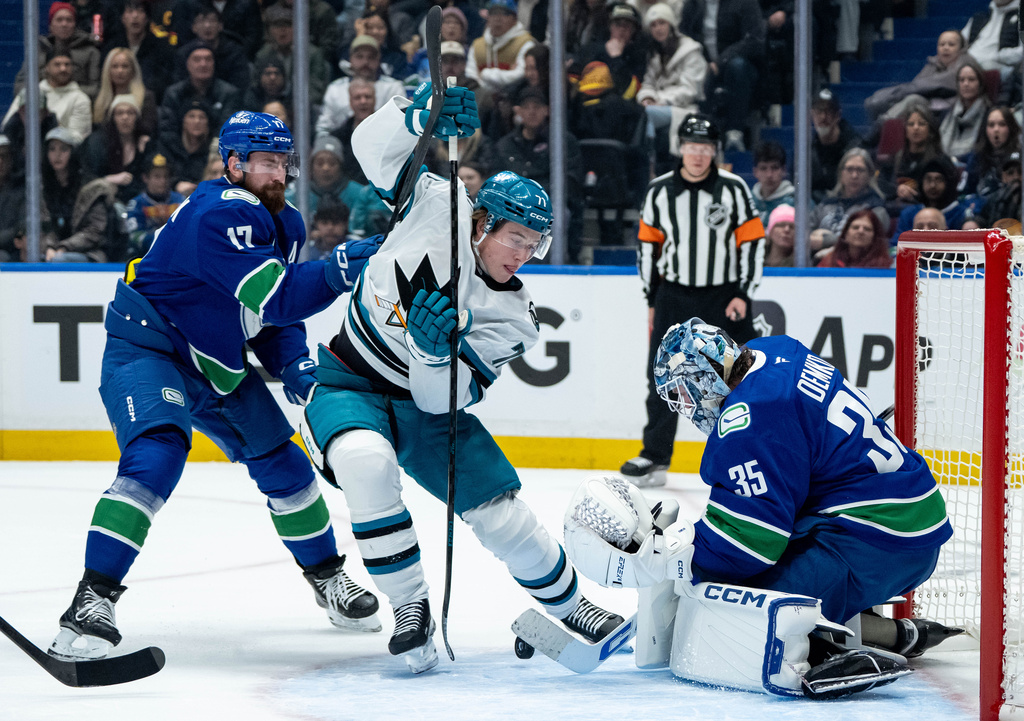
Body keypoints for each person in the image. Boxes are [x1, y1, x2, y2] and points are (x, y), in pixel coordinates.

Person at [299, 80, 625, 674]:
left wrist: (431, 354)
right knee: (365, 463)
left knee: (500, 512)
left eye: (534, 245)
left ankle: (572, 605)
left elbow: (439, 401)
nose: (522, 255)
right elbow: (368, 147)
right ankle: (410, 607)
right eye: (515, 239)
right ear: (482, 222)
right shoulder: (435, 203)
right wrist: (416, 114)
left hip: (426, 408)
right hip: (351, 382)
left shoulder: (514, 318)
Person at [46, 111, 384, 662]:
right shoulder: (218, 212)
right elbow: (277, 294)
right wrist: (335, 273)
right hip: (151, 346)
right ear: (233, 163)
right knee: (157, 454)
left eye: (284, 162)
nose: (279, 172)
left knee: (287, 468)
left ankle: (327, 579)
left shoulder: (285, 221)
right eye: (266, 162)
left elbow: (269, 316)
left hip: (215, 360)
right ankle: (92, 599)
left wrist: (294, 363)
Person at [563, 318, 960, 698]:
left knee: (731, 607)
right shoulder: (774, 350)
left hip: (879, 542)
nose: (686, 406)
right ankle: (897, 634)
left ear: (704, 378)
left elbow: (750, 546)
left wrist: (673, 558)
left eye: (684, 393)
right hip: (905, 517)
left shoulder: (750, 416)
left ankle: (827, 649)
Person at [620, 115, 764, 488]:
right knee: (663, 374)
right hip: (673, 294)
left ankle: (749, 452)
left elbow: (751, 242)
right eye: (692, 147)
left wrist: (743, 292)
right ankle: (655, 455)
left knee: (741, 375)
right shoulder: (659, 191)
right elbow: (647, 248)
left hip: (724, 294)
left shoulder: (733, 188)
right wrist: (652, 297)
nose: (698, 155)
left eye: (705, 148)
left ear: (714, 151)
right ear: (681, 148)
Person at [493, 85, 585, 262]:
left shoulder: (563, 141)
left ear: (547, 110)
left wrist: (538, 198)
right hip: (513, 205)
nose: (532, 112)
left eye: (537, 107)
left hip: (550, 203)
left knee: (557, 214)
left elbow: (572, 178)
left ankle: (549, 266)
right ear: (518, 111)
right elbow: (498, 179)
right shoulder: (505, 145)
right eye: (526, 107)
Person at [680, 0, 765, 152]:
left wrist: (721, 61)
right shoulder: (694, 4)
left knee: (737, 67)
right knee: (694, 73)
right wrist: (703, 61)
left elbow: (754, 40)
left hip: (741, 65)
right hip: (701, 62)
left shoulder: (745, 3)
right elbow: (685, 35)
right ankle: (700, 138)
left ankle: (735, 132)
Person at [635, 2, 706, 165]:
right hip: (657, 107)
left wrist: (661, 100)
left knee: (646, 114)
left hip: (683, 108)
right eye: (653, 25)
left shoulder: (690, 51)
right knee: (641, 111)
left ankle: (650, 162)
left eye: (662, 23)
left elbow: (690, 90)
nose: (658, 28)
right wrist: (647, 97)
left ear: (671, 24)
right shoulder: (655, 55)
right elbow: (648, 83)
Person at [39, 126, 116, 263]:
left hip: (91, 253)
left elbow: (94, 231)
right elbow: (42, 227)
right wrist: (49, 247)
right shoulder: (42, 189)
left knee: (59, 261)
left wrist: (63, 248)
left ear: (74, 153)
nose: (57, 155)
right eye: (52, 149)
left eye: (63, 149)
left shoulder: (93, 189)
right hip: (52, 253)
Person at [864, 30, 970, 121]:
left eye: (951, 44)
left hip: (950, 111)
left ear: (961, 48)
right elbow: (916, 85)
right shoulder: (932, 65)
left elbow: (921, 88)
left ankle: (883, 125)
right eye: (942, 45)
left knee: (913, 100)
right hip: (926, 110)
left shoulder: (965, 65)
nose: (945, 48)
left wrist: (893, 94)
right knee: (876, 102)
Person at [317, 35, 406, 136]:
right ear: (350, 59)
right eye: (359, 56)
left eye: (371, 57)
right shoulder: (335, 89)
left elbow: (401, 126)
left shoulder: (394, 87)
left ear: (379, 60)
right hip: (341, 142)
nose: (365, 62)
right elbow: (323, 128)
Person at [4, 47, 93, 146]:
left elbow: (77, 138)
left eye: (67, 64)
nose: (63, 69)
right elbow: (7, 126)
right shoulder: (30, 93)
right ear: (47, 67)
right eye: (57, 64)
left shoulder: (80, 99)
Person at [808, 148, 889, 256]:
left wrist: (826, 241)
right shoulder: (826, 204)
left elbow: (869, 241)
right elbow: (803, 234)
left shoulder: (876, 209)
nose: (854, 175)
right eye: (849, 169)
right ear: (841, 173)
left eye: (860, 170)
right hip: (817, 261)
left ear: (869, 175)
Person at [15, 1, 102, 101]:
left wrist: (64, 92)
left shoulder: (90, 51)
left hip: (76, 103)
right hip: (42, 103)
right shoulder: (38, 50)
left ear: (75, 24)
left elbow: (96, 88)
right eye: (59, 20)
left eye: (69, 20)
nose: (64, 24)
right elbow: (20, 85)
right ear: (50, 25)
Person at [889, 155, 984, 242]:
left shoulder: (962, 214)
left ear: (948, 183)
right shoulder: (909, 214)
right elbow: (896, 245)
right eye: (928, 179)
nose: (932, 185)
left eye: (938, 179)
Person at [158, 42, 243, 137]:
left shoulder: (229, 93)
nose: (203, 64)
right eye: (197, 60)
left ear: (214, 64)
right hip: (180, 144)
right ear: (187, 64)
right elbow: (167, 128)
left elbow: (228, 129)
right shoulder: (174, 93)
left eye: (208, 59)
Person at [255, 4, 331, 108]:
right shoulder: (263, 55)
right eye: (277, 25)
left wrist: (290, 108)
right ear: (269, 30)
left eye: (288, 25)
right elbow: (256, 89)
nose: (282, 30)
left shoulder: (312, 54)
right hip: (269, 108)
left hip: (301, 108)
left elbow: (315, 91)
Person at [80, 94, 152, 204]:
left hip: (137, 201)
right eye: (119, 113)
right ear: (112, 118)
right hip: (104, 201)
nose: (125, 117)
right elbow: (87, 177)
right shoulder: (97, 142)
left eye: (130, 113)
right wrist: (109, 179)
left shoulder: (145, 142)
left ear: (137, 118)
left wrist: (144, 152)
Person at [101, 0, 175, 104]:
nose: (135, 16)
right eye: (130, 11)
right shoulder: (112, 47)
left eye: (140, 11)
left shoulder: (162, 48)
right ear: (123, 18)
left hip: (149, 101)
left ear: (147, 18)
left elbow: (163, 81)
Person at [570, 3, 648, 100]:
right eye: (618, 24)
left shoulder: (638, 56)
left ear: (633, 30)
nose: (622, 29)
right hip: (587, 102)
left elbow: (630, 92)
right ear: (610, 26)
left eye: (627, 25)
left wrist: (616, 58)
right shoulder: (590, 50)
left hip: (620, 104)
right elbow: (573, 82)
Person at [175, 5, 251, 95]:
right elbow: (179, 85)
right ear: (194, 27)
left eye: (212, 21)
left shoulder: (235, 52)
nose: (207, 26)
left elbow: (241, 85)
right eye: (201, 21)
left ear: (220, 26)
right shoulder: (184, 53)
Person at [466, 0, 537, 96]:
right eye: (493, 13)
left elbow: (520, 75)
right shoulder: (477, 45)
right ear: (488, 18)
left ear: (514, 19)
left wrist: (485, 74)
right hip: (482, 99)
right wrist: (506, 75)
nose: (498, 19)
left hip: (515, 97)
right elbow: (471, 78)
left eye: (504, 14)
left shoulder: (525, 43)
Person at [123, 151, 184, 258]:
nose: (163, 181)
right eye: (157, 176)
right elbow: (135, 236)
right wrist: (163, 238)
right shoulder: (136, 205)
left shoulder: (181, 202)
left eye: (166, 176)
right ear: (145, 178)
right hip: (143, 257)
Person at [810, 89, 863, 203]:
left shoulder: (855, 148)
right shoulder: (806, 150)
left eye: (828, 111)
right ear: (812, 114)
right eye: (819, 111)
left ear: (837, 115)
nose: (823, 117)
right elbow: (798, 185)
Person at [938, 59, 991, 161]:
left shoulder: (989, 115)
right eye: (961, 80)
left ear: (980, 84)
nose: (966, 84)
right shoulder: (946, 114)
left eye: (971, 79)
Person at [161, 98, 215, 197]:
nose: (197, 121)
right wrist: (176, 184)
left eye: (202, 117)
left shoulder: (213, 148)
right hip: (169, 195)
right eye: (191, 116)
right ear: (183, 121)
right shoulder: (170, 145)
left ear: (208, 122)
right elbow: (161, 173)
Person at [964, 106, 1021, 196]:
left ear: (1011, 127)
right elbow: (968, 191)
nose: (996, 129)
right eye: (991, 125)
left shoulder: (1019, 155)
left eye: (1002, 124)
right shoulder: (977, 156)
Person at [962, 0, 1021, 83]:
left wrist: (997, 57)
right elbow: (959, 42)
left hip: (1001, 70)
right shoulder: (980, 17)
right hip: (968, 65)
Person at [816, 209, 893, 269]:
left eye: (867, 229)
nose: (860, 231)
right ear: (845, 234)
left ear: (875, 237)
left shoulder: (885, 265)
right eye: (855, 227)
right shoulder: (830, 261)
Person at [751, 141, 797, 226]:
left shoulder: (797, 201)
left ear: (784, 170)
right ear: (755, 172)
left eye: (775, 168)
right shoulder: (747, 200)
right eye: (763, 168)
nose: (769, 175)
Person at [0, 135, 27, 262]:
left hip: (11, 252)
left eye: (4, 156)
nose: (0, 161)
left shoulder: (22, 190)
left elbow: (19, 228)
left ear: (11, 159)